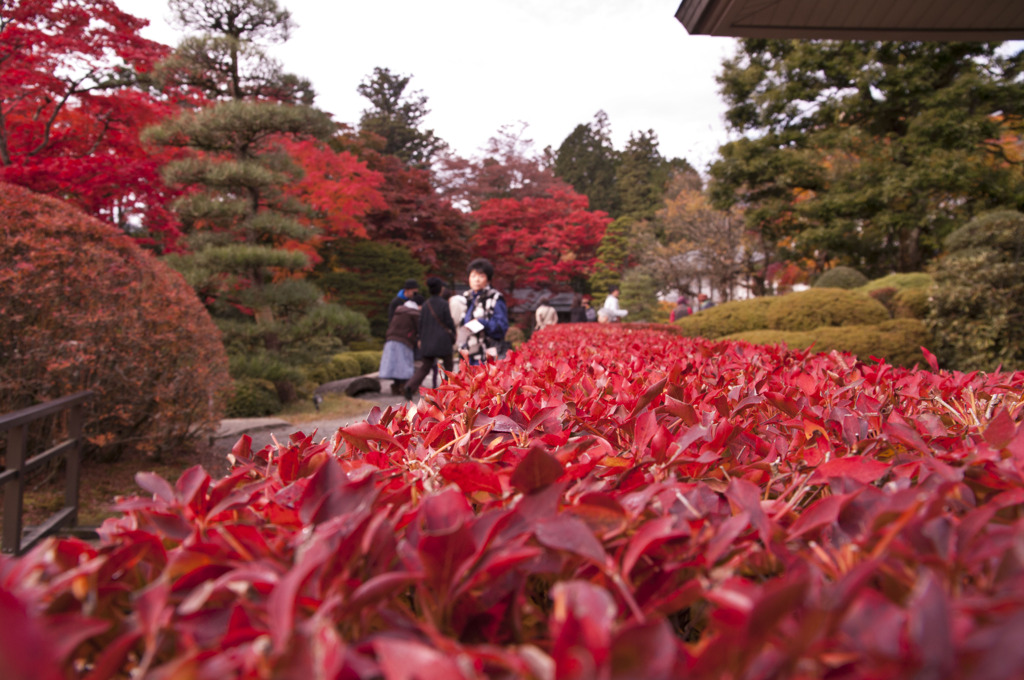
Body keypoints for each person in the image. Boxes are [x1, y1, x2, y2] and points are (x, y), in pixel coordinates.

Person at [404, 277, 456, 400]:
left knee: (425, 367)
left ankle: (409, 386)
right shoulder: (444, 303)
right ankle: (448, 391)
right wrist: (453, 333)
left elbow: (420, 323)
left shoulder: (425, 304)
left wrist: (420, 339)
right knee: (448, 366)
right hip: (443, 341)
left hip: (428, 341)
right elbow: (449, 322)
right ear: (440, 289)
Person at [458, 258, 508, 364]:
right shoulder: (467, 298)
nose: (477, 280)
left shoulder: (495, 298)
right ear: (469, 278)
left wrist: (482, 323)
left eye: (481, 276)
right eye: (473, 276)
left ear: (488, 279)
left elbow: (501, 328)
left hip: (487, 355)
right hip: (468, 354)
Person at [379, 293, 422, 395]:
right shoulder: (414, 313)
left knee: (394, 365)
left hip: (391, 339)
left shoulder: (400, 310)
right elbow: (419, 329)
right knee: (404, 365)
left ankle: (396, 386)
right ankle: (405, 387)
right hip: (404, 341)